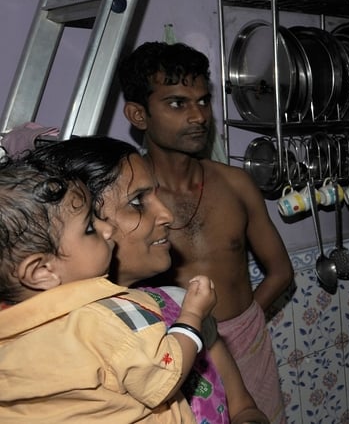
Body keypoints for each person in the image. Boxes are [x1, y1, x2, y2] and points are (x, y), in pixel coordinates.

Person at [28, 136, 269, 424]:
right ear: (86, 223)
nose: (166, 214)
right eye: (137, 202)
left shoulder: (179, 305)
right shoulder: (63, 357)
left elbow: (242, 406)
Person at [117, 41, 293, 422]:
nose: (198, 115)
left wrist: (237, 328)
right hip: (172, 352)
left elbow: (281, 271)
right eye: (178, 103)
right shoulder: (128, 200)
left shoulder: (235, 184)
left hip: (245, 343)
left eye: (203, 101)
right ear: (138, 114)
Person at [0, 155, 216, 423]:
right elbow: (165, 375)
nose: (106, 229)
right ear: (41, 271)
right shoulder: (109, 313)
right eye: (90, 227)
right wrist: (192, 317)